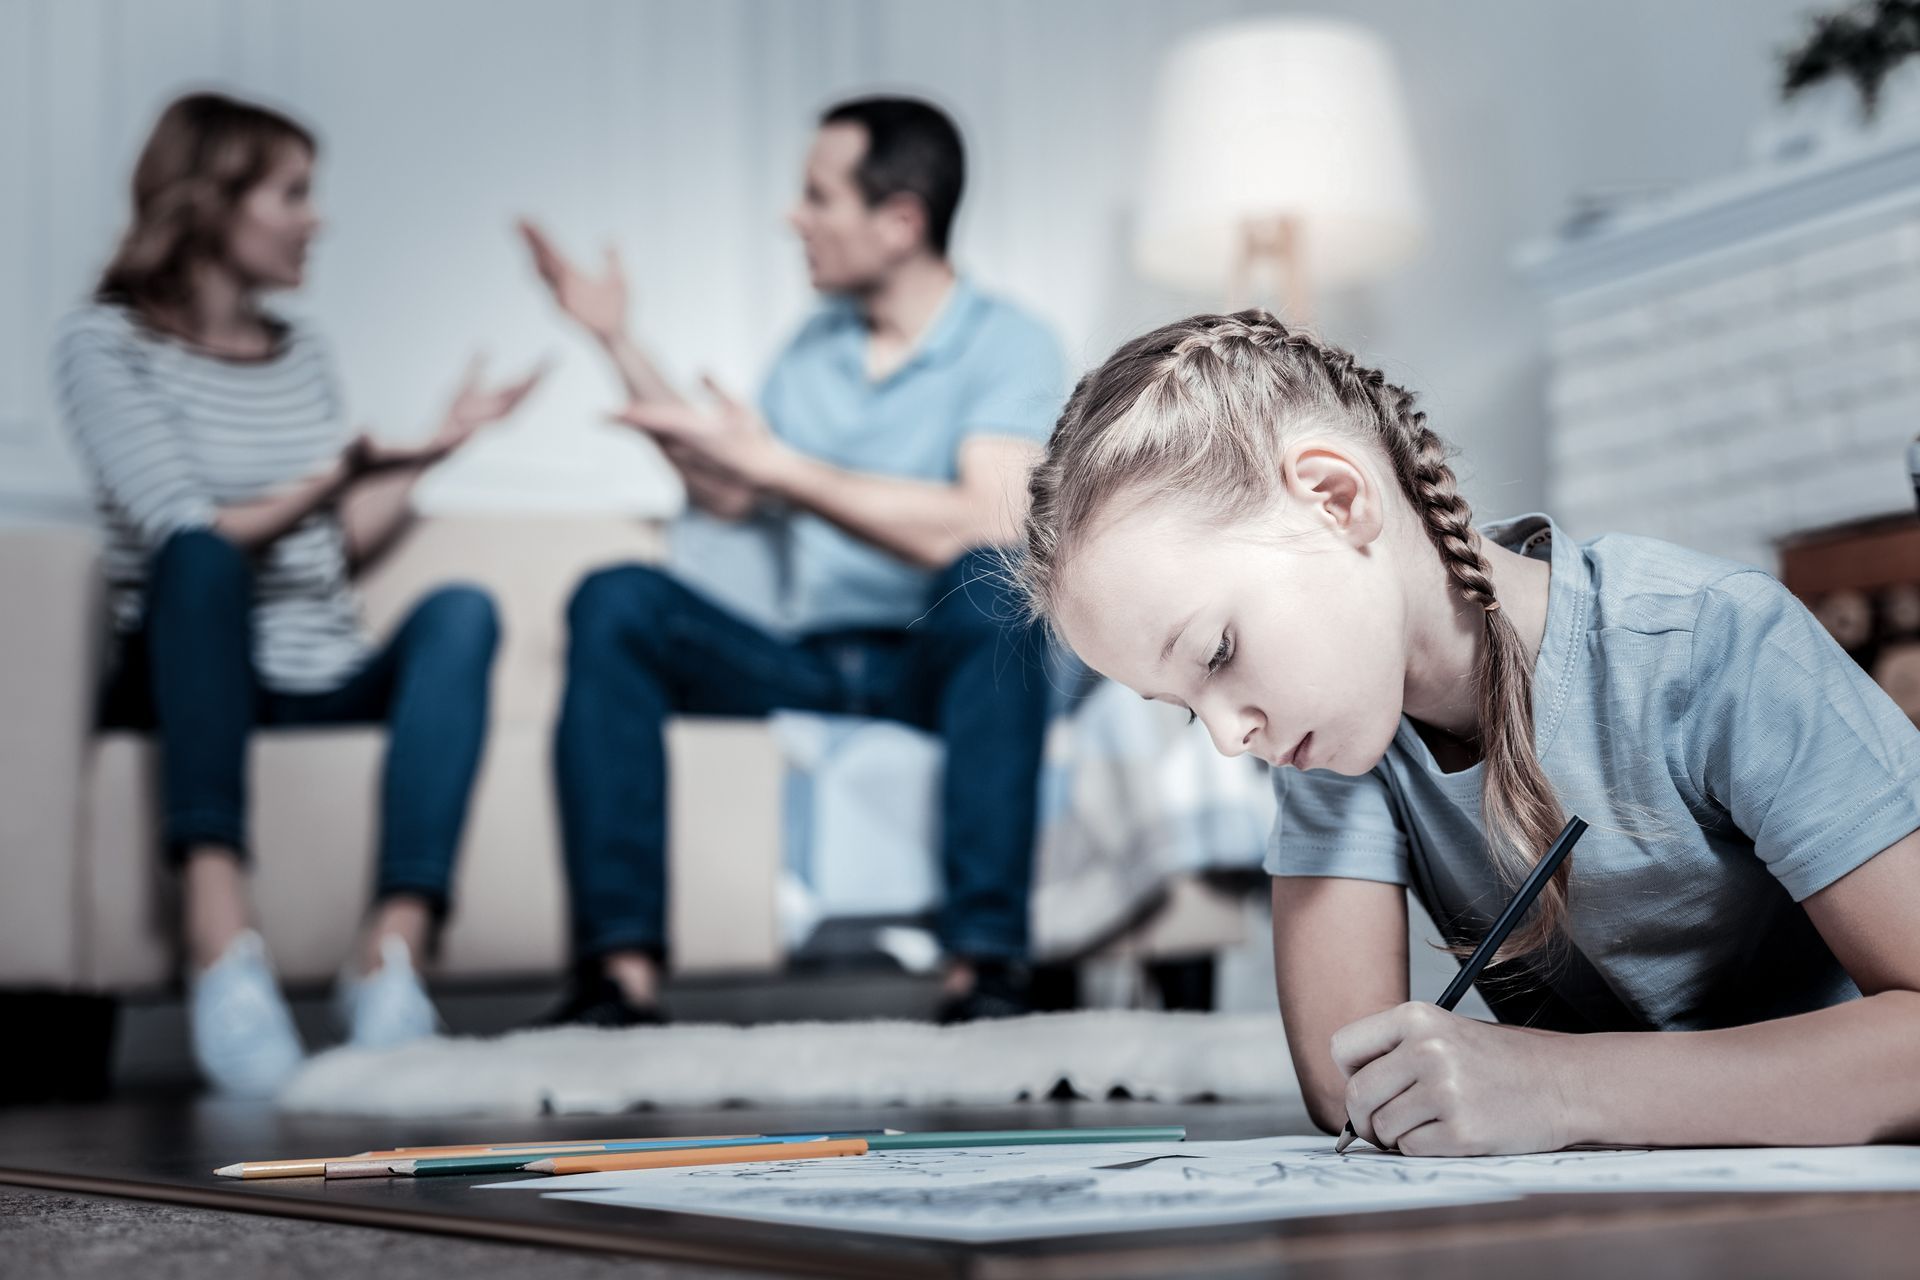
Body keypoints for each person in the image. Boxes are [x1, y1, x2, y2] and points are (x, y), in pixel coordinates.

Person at [1014, 309, 1920, 1153]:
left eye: (1216, 652)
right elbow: (1351, 1090)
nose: (1225, 738)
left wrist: (1562, 1088)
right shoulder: (1332, 731)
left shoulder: (1714, 642)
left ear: (1335, 497)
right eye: (1182, 707)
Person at [522, 96, 1064, 1025]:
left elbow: (986, 522)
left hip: (933, 660)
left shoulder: (1009, 343)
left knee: (990, 591)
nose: (793, 218)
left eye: (817, 197)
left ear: (899, 222)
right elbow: (736, 487)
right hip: (805, 655)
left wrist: (782, 467)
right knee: (616, 597)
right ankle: (619, 979)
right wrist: (616, 341)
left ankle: (987, 971)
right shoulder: (813, 349)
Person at [53, 92, 543, 1096]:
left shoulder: (303, 349)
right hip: (194, 661)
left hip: (318, 662)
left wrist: (436, 451)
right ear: (211, 200)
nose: (316, 218)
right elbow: (184, 524)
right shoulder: (103, 344)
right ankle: (221, 939)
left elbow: (327, 546)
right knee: (202, 560)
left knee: (462, 610)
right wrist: (344, 463)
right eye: (293, 194)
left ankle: (390, 955)